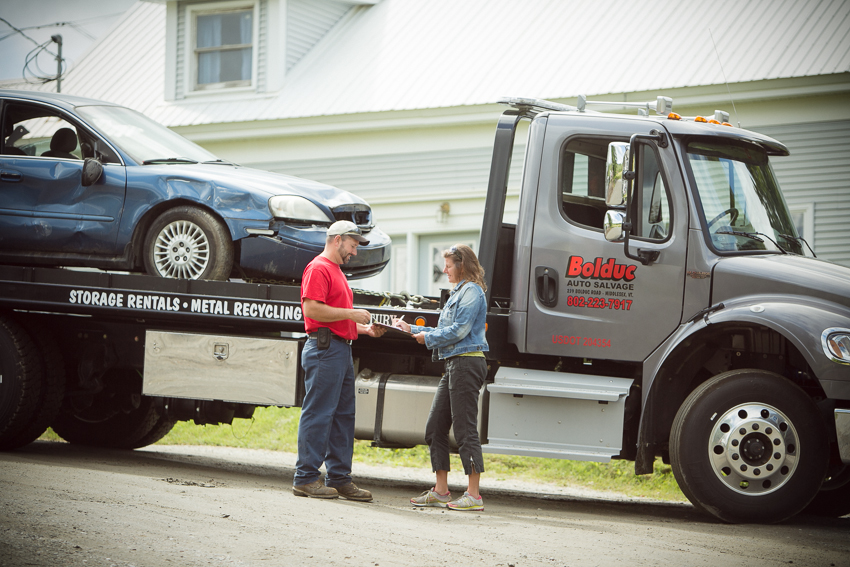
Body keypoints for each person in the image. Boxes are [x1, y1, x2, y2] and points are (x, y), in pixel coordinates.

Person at [293, 220, 385, 501]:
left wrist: (364, 329)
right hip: (325, 350)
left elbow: (336, 319)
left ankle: (340, 478)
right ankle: (306, 478)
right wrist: (350, 314)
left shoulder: (335, 271)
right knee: (319, 412)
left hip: (339, 349)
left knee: (344, 416)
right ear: (337, 240)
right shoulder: (319, 267)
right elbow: (312, 309)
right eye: (353, 245)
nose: (354, 253)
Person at [393, 244, 489, 511]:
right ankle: (441, 491)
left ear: (462, 265)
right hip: (454, 364)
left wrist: (428, 338)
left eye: (448, 265)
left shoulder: (472, 291)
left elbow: (459, 330)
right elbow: (445, 327)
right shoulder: (458, 291)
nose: (444, 269)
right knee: (435, 427)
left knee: (465, 430)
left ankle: (473, 495)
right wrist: (410, 328)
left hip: (467, 363)